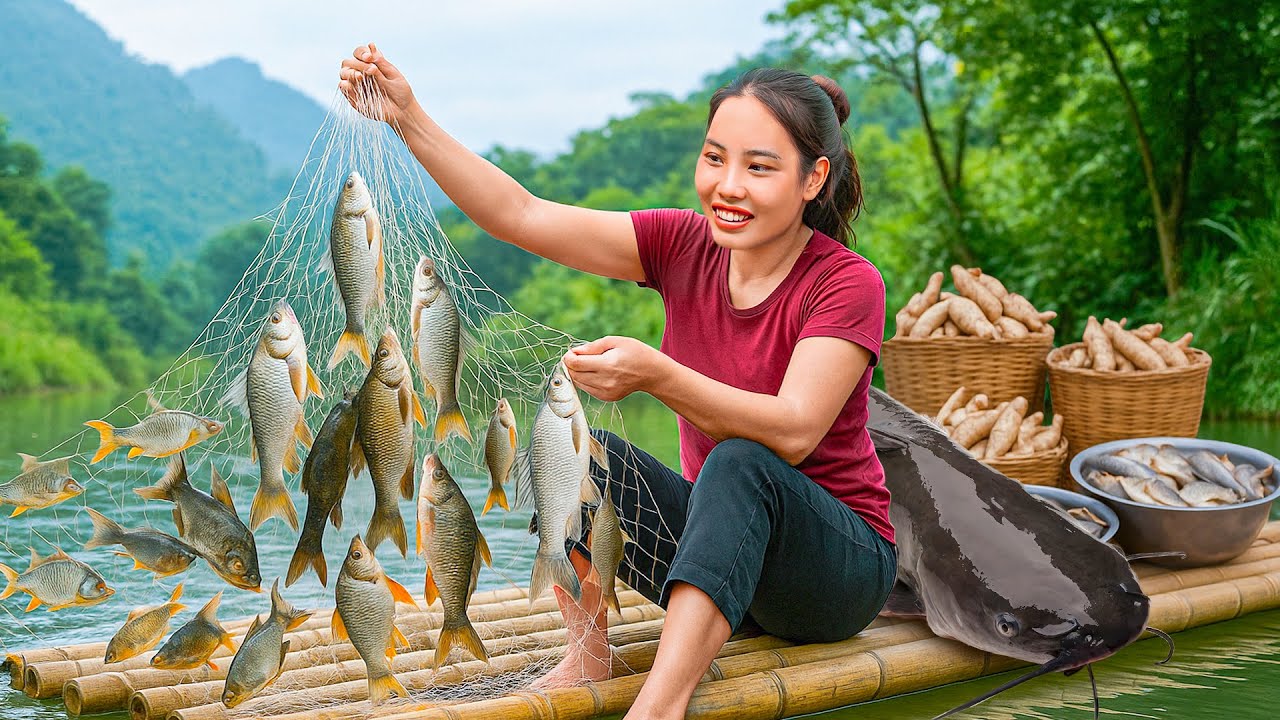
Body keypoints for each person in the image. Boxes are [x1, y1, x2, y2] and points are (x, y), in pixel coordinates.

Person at [339, 44, 897, 720]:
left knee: (742, 461)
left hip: (836, 575)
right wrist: (406, 117)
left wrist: (658, 375)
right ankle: (587, 654)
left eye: (760, 168)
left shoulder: (846, 283)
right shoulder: (680, 245)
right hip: (730, 562)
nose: (728, 186)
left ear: (813, 180)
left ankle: (657, 708)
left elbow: (796, 427)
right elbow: (521, 215)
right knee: (579, 451)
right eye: (715, 158)